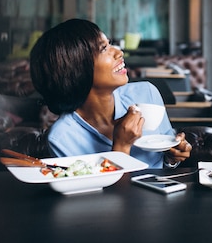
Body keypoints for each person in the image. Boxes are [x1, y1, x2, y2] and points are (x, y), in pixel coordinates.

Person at [29, 18, 191, 168]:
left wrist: (172, 157)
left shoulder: (146, 93)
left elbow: (164, 160)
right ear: (77, 70)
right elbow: (104, 197)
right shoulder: (63, 138)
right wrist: (121, 146)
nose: (118, 52)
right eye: (104, 48)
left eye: (110, 44)